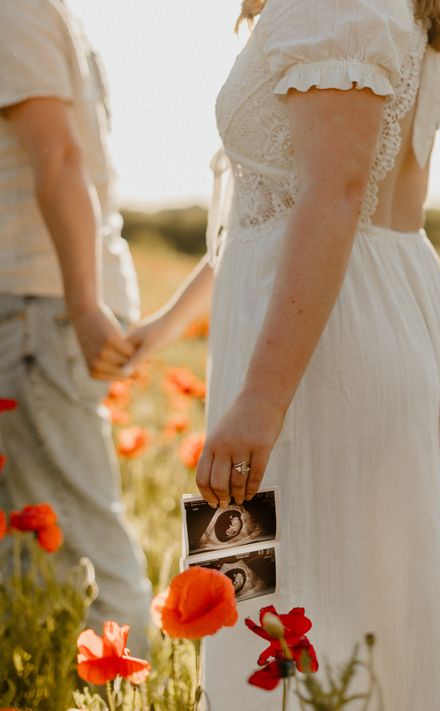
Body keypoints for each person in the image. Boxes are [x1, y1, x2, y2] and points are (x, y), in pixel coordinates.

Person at [124, 0, 440, 707]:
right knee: (308, 608)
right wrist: (159, 329)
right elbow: (264, 214)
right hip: (322, 335)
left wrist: (260, 398)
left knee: (309, 616)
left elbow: (333, 196)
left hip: (319, 362)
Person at [0, 0, 151, 655]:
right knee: (29, 547)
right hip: (49, 301)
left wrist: (84, 302)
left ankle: (124, 686)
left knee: (85, 540)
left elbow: (60, 156)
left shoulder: (17, 11)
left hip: (40, 303)